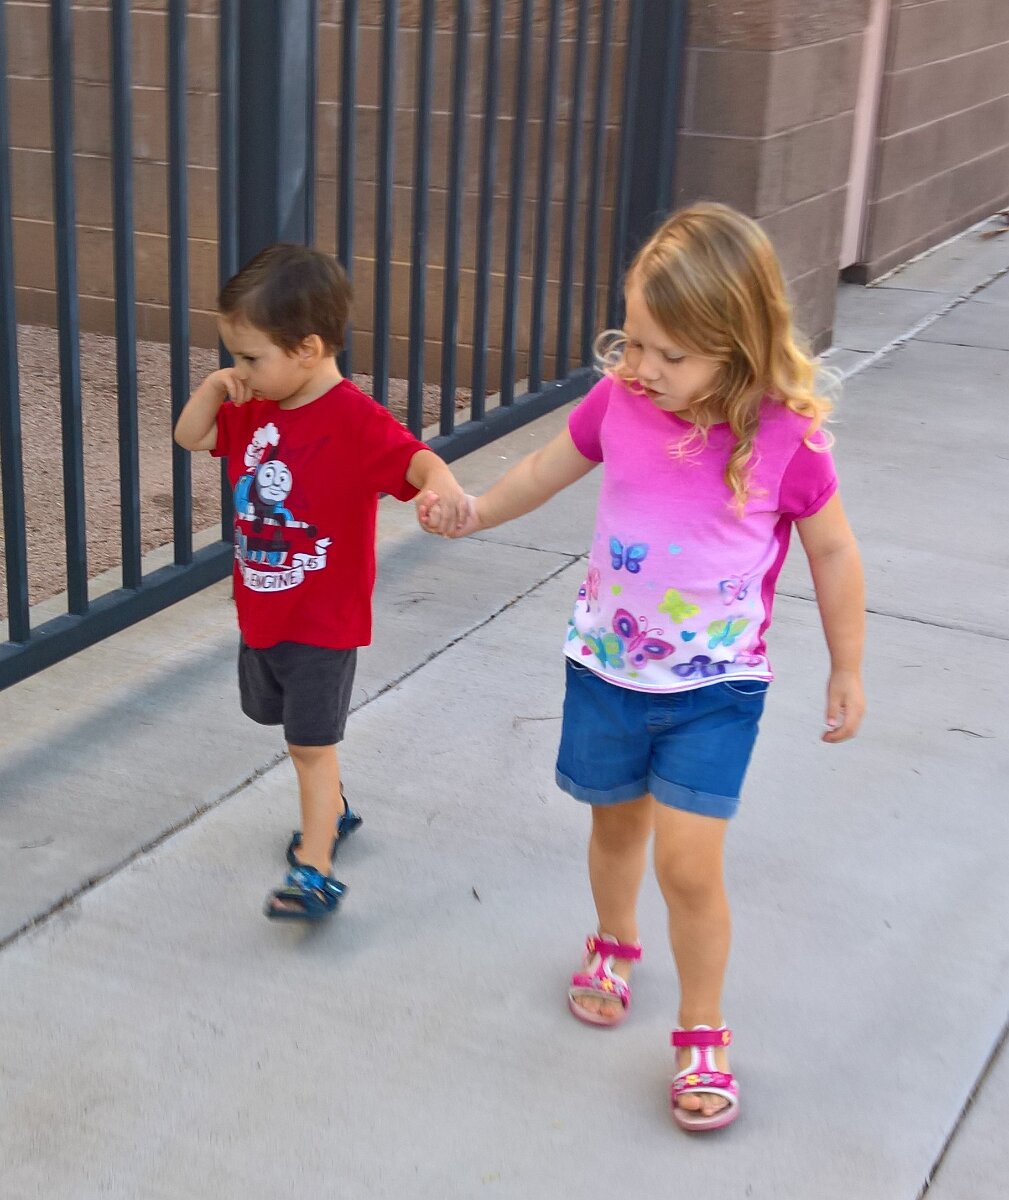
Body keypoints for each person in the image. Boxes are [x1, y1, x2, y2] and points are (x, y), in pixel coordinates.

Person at [419, 203, 865, 1130]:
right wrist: (476, 510)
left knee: (689, 867)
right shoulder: (617, 403)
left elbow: (831, 552)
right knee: (615, 830)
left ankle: (702, 1030)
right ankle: (614, 941)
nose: (641, 366)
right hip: (606, 671)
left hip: (714, 690)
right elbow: (544, 470)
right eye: (633, 340)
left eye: (671, 353)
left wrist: (845, 666)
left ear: (737, 346)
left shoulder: (784, 437)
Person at [175, 243, 467, 922]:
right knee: (281, 724)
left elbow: (417, 460)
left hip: (322, 623)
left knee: (309, 745)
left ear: (307, 349)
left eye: (249, 357)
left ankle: (316, 866)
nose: (239, 371)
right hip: (264, 611)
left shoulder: (353, 421)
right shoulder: (256, 407)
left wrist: (444, 486)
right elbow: (191, 437)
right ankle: (332, 807)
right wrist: (214, 388)